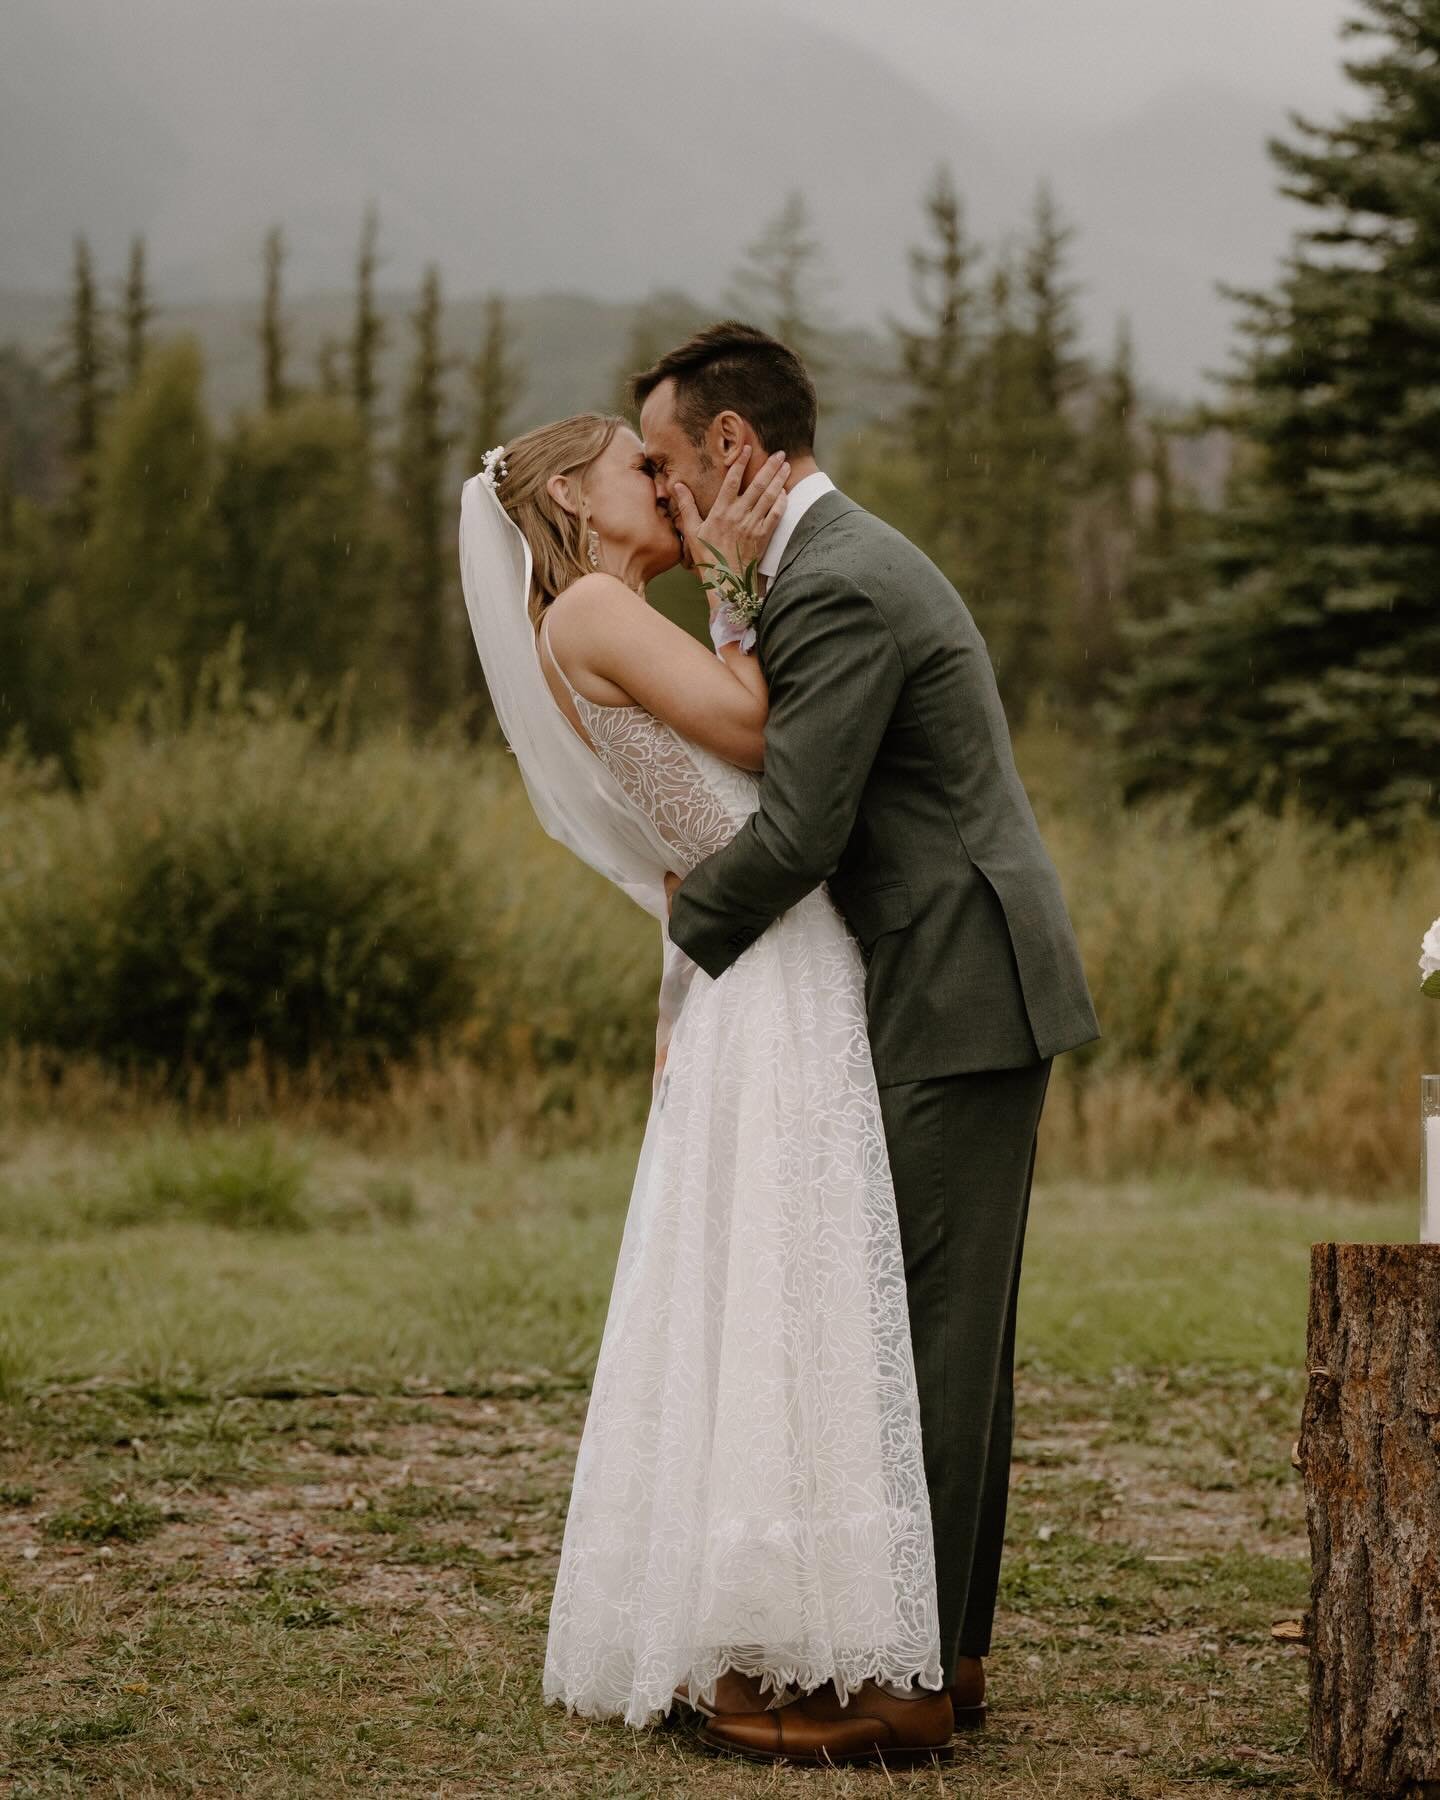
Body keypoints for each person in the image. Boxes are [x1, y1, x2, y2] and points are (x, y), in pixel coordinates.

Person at [457, 407, 954, 1766]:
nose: (669, 487)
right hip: (777, 967)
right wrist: (740, 585)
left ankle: (774, 1633)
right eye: (641, 468)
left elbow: (689, 836)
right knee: (780, 1284)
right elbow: (754, 731)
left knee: (773, 1284)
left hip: (762, 962)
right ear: (573, 495)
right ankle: (750, 1655)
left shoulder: (607, 620)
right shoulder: (594, 613)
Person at [639, 322, 1101, 1766]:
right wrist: (730, 603)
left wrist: (680, 935)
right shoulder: (821, 568)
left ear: (732, 446)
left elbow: (800, 831)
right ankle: (945, 1649)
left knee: (928, 1332)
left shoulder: (837, 582)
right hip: (949, 975)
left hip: (955, 981)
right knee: (948, 1331)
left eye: (664, 461)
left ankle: (901, 1688)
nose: (657, 492)